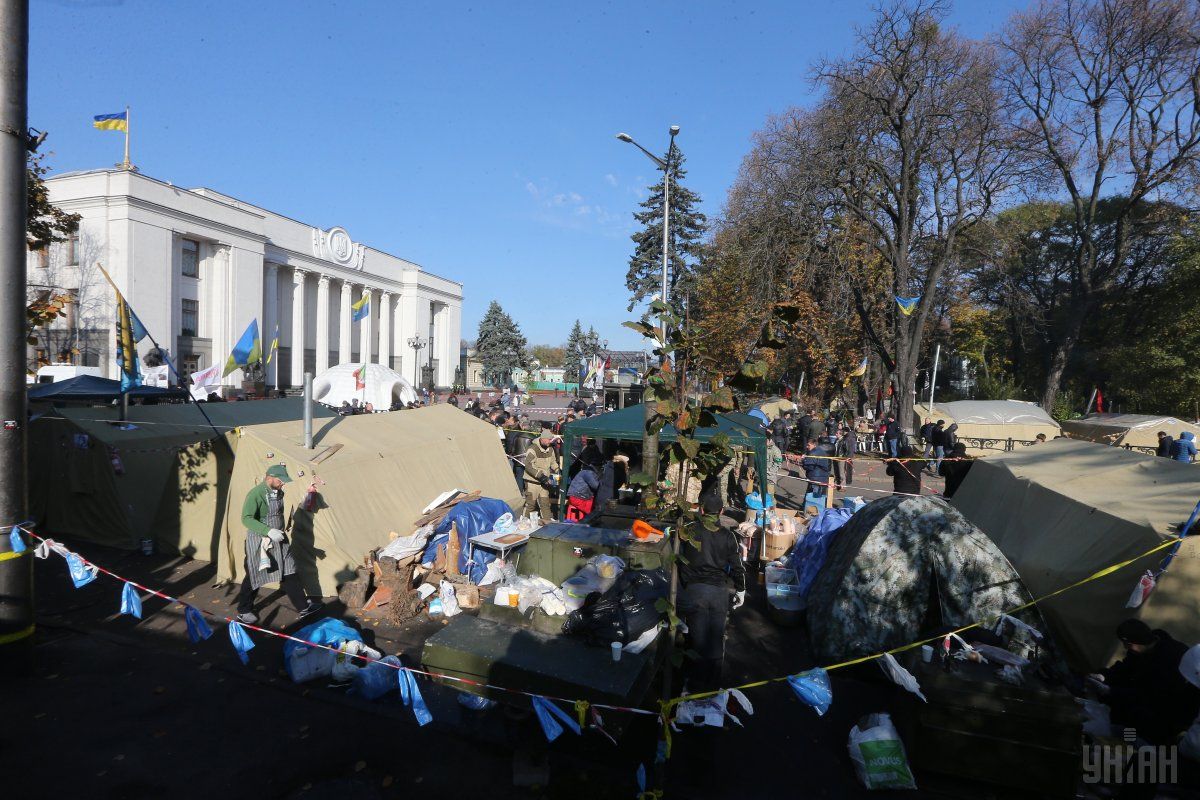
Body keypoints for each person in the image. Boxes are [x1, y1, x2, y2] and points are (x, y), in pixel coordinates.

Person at [677, 490, 747, 694]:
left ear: (701, 509)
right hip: (719, 592)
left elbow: (679, 561)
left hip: (694, 591)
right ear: (721, 512)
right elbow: (737, 566)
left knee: (697, 641)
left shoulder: (688, 531)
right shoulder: (728, 536)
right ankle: (712, 687)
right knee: (715, 640)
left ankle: (693, 686)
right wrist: (740, 589)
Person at [1088, 619, 1200, 745]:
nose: (1126, 648)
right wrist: (1104, 676)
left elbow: (1153, 694)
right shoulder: (1140, 650)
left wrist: (1112, 691)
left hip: (1160, 716)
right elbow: (1125, 668)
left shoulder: (1172, 656)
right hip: (1138, 704)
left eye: (1128, 644)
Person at [235, 465, 322, 624]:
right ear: (270, 477)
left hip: (280, 539)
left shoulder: (279, 492)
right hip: (261, 540)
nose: (283, 484)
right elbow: (246, 518)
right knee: (255, 575)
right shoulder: (256, 494)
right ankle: (244, 610)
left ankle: (303, 608)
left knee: (289, 571)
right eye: (281, 481)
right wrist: (268, 531)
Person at [522, 428, 560, 521]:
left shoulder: (550, 449)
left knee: (545, 504)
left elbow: (553, 462)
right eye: (549, 440)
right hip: (532, 482)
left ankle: (547, 523)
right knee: (530, 504)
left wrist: (557, 469)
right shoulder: (532, 449)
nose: (550, 442)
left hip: (544, 482)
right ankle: (523, 522)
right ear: (543, 438)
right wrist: (540, 476)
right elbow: (528, 466)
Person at [566, 453, 601, 520]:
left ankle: (586, 520)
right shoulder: (589, 473)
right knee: (593, 507)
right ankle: (588, 521)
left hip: (577, 496)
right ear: (597, 466)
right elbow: (596, 486)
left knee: (592, 500)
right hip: (577, 497)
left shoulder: (587, 471)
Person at [834, 423, 858, 490]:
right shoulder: (837, 440)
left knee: (841, 473)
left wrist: (844, 457)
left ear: (840, 434)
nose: (836, 434)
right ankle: (837, 484)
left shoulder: (844, 441)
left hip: (841, 458)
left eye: (837, 433)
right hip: (835, 458)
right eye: (836, 433)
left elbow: (847, 450)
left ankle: (843, 486)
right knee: (837, 472)